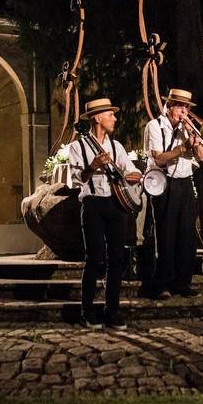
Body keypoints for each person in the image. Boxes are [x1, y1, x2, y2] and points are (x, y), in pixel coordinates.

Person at [69, 98, 142, 329]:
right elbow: (76, 180)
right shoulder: (78, 147)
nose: (115, 118)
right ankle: (87, 311)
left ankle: (112, 311)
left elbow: (131, 172)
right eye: (111, 115)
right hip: (92, 205)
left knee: (117, 259)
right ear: (98, 118)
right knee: (94, 258)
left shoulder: (117, 146)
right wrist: (93, 166)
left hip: (116, 205)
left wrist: (134, 176)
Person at [141, 88, 203, 300]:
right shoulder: (155, 126)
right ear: (169, 107)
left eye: (187, 107)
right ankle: (162, 284)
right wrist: (183, 147)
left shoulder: (189, 129)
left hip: (185, 182)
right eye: (180, 106)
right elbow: (159, 159)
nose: (184, 111)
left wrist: (194, 139)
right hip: (163, 183)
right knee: (165, 235)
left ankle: (183, 282)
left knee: (187, 235)